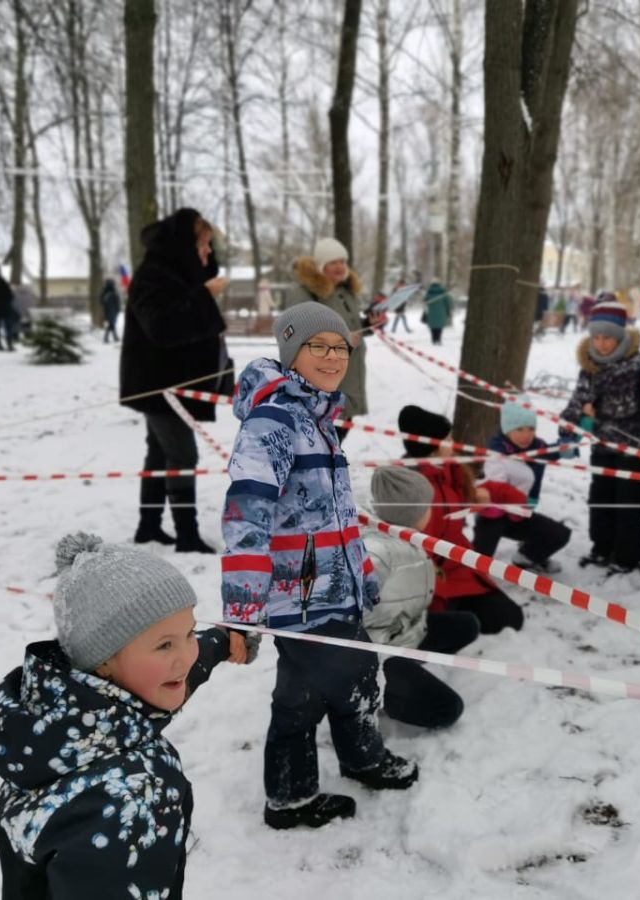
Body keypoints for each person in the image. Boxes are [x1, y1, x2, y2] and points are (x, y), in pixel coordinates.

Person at [222, 301, 417, 830]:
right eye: (318, 346)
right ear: (291, 352)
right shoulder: (274, 422)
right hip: (302, 595)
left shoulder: (316, 416)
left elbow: (333, 513)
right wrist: (242, 609)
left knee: (328, 684)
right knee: (331, 686)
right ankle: (327, 779)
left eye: (340, 347)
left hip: (333, 587)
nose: (333, 357)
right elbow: (245, 517)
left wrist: (361, 575)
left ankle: (324, 777)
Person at [0, 532, 257, 899]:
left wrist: (222, 642)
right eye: (165, 644)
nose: (187, 655)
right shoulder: (128, 800)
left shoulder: (56, 722)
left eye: (189, 633)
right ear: (103, 663)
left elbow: (168, 675)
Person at [120, 208, 232, 553]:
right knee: (182, 454)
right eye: (203, 245)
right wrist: (204, 297)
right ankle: (187, 535)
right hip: (160, 386)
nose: (208, 252)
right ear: (185, 243)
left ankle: (148, 527)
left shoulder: (180, 274)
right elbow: (162, 327)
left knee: (158, 455)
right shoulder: (155, 274)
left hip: (173, 385)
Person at [364, 467, 480, 728]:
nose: (432, 510)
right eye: (427, 505)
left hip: (405, 633)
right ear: (411, 513)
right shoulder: (379, 553)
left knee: (467, 625)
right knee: (447, 709)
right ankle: (377, 694)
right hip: (376, 655)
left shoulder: (407, 536)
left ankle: (410, 670)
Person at [397, 404, 525, 634]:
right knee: (450, 629)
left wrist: (508, 497)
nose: (453, 441)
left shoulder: (450, 471)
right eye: (448, 438)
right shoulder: (408, 486)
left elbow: (471, 497)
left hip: (458, 569)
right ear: (432, 446)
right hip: (429, 580)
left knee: (510, 618)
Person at [560, 300, 640, 573]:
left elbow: (630, 406)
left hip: (634, 447)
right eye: (596, 337)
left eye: (608, 338)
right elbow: (578, 401)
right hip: (603, 447)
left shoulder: (637, 364)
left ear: (620, 337)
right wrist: (568, 429)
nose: (601, 344)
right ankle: (601, 548)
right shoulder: (589, 366)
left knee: (628, 503)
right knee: (600, 498)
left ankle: (627, 556)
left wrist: (596, 408)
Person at [473, 400, 571, 574]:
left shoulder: (536, 447)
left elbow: (549, 451)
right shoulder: (497, 451)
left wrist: (565, 449)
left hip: (520, 512)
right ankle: (469, 581)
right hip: (493, 515)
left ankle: (527, 557)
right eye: (519, 429)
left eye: (530, 429)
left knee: (559, 534)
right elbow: (496, 485)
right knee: (478, 564)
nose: (526, 435)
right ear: (506, 429)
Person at [284, 237, 369, 428]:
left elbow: (348, 324)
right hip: (319, 380)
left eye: (342, 261)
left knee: (336, 436)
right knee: (320, 439)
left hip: (347, 376)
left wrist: (369, 323)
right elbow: (295, 332)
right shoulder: (304, 292)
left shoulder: (345, 291)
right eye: (333, 262)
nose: (340, 267)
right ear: (321, 266)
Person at [0, 261, 16, 351]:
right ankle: (9, 344)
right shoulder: (2, 281)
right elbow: (10, 295)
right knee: (8, 326)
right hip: (5, 307)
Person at [423, 279, 451, 345]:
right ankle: (438, 339)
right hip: (441, 313)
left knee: (433, 327)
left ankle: (433, 340)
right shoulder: (443, 293)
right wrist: (448, 312)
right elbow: (447, 303)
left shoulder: (429, 292)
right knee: (439, 327)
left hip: (431, 313)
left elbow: (424, 301)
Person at [100, 277, 121, 342]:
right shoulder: (113, 292)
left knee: (111, 324)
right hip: (113, 311)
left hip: (107, 311)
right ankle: (107, 338)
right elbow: (117, 302)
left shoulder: (104, 292)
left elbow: (101, 302)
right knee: (111, 324)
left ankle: (114, 337)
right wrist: (118, 309)